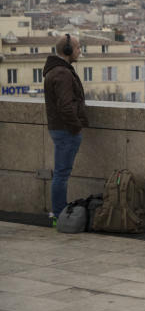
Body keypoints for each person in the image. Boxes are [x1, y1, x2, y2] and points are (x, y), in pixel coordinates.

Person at [43, 33, 89, 225]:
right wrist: (76, 127)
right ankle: (59, 214)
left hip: (59, 128)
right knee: (62, 174)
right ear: (68, 51)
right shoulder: (62, 73)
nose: (80, 51)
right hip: (65, 130)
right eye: (78, 48)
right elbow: (65, 106)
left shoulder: (54, 70)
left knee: (61, 173)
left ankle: (58, 212)